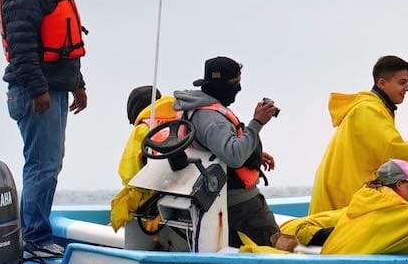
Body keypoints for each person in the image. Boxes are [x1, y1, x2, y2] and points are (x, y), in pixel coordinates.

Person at [0, 0, 89, 256]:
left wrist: (78, 84)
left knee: (49, 163)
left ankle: (36, 234)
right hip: (36, 93)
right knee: (42, 164)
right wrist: (38, 90)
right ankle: (36, 239)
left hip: (54, 89)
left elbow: (66, 44)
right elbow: (22, 48)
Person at [172, 56, 296, 251]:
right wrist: (257, 123)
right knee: (277, 249)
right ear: (221, 85)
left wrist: (253, 154)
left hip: (224, 201)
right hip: (241, 206)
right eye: (234, 83)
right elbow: (234, 156)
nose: (238, 88)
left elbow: (216, 148)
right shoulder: (211, 118)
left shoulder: (198, 109)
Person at [309, 55, 408, 214]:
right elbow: (392, 149)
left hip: (344, 185)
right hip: (342, 189)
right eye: (402, 82)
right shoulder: (368, 109)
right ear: (382, 83)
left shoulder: (375, 107)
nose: (407, 88)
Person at [109, 85, 176, 233]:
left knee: (119, 207)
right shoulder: (179, 121)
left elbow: (130, 174)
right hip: (181, 193)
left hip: (152, 197)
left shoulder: (142, 129)